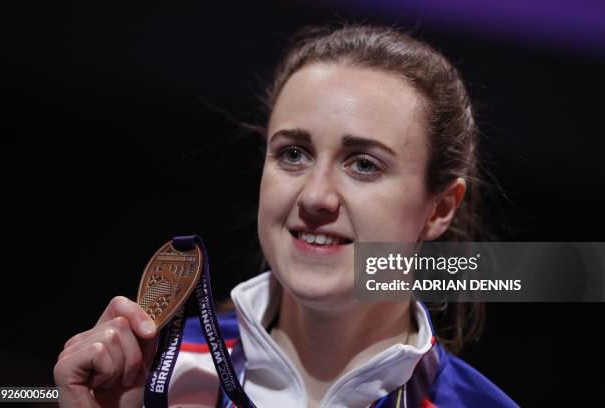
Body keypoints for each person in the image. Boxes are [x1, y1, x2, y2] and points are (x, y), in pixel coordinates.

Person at [54, 24, 518, 407]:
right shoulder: (151, 375)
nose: (316, 196)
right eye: (293, 154)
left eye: (363, 164)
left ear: (439, 209)